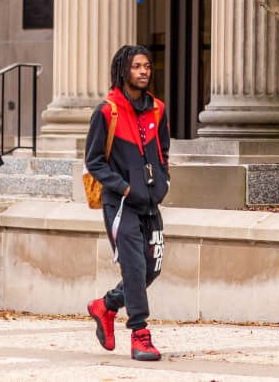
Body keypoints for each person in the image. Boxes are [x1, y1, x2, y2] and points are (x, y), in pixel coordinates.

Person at [84, 44, 171, 362]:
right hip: (120, 205)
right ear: (123, 71)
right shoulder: (107, 112)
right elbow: (94, 161)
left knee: (151, 269)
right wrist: (124, 188)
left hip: (151, 201)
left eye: (147, 65)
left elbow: (164, 152)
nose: (144, 70)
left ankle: (105, 306)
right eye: (137, 66)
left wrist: (163, 182)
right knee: (134, 267)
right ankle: (140, 334)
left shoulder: (158, 110)